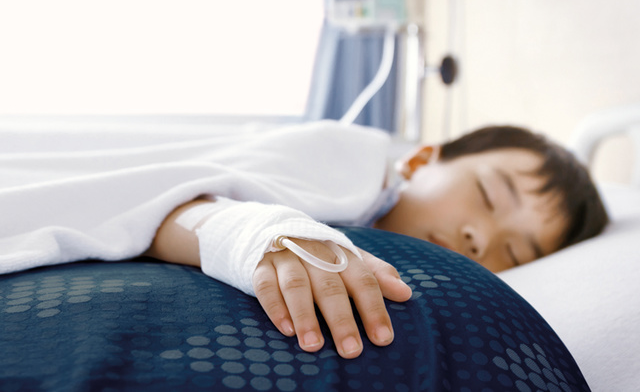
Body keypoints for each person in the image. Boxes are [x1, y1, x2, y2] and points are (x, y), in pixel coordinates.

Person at [144, 125, 609, 359]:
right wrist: (255, 234)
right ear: (425, 158)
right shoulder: (340, 157)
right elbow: (153, 204)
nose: (479, 236)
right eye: (486, 196)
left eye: (513, 253)